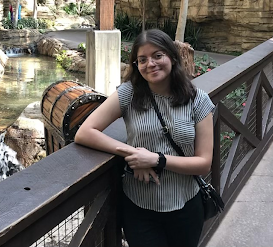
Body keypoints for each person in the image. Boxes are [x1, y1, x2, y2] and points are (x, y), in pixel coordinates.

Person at [74, 29, 215, 247]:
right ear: (136, 65)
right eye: (142, 59)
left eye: (158, 56)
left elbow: (204, 163)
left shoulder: (197, 100)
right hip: (140, 208)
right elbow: (84, 132)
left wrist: (157, 160)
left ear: (172, 57)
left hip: (186, 206)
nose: (150, 64)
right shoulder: (129, 93)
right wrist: (133, 154)